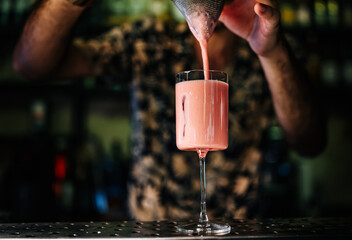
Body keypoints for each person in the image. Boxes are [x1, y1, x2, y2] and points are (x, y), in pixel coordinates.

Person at [13, 0, 326, 220]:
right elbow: (31, 66)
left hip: (238, 230)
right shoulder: (148, 41)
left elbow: (309, 142)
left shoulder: (273, 44)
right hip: (151, 230)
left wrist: (270, 52)